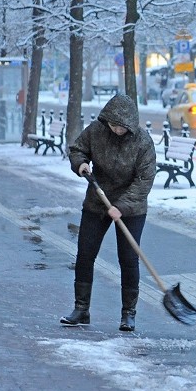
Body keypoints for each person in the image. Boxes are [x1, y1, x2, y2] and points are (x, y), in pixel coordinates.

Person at [61, 94, 156, 332]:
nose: (116, 130)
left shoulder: (143, 143)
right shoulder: (96, 131)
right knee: (85, 253)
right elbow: (77, 149)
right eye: (113, 125)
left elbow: (144, 182)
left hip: (131, 208)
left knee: (128, 259)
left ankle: (128, 314)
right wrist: (80, 163)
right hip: (97, 201)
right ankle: (81, 309)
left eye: (121, 127)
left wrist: (121, 206)